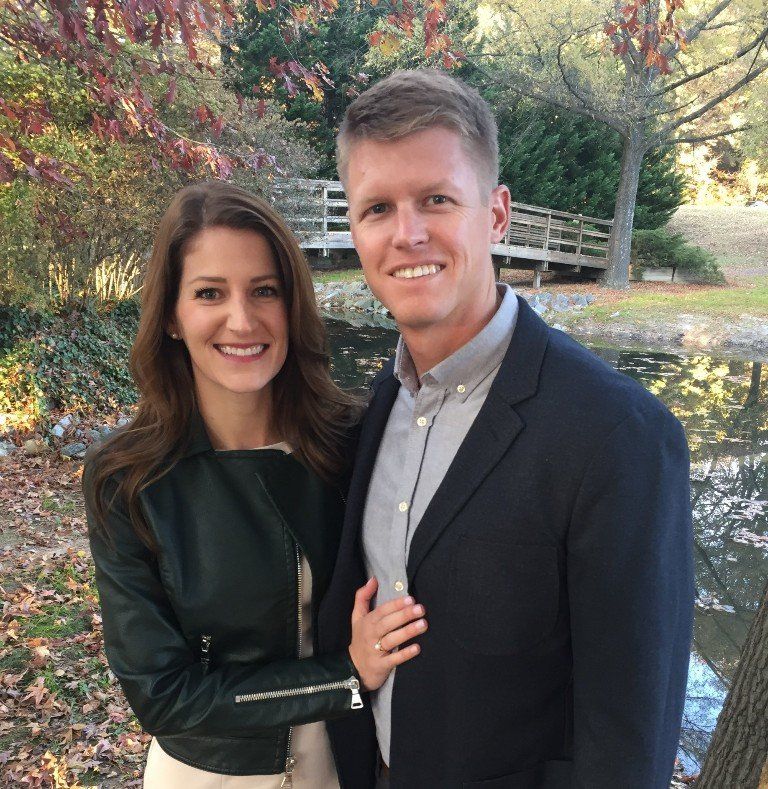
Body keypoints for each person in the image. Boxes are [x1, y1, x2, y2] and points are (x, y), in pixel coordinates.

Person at [318, 70, 695, 788]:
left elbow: (629, 739)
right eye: (377, 208)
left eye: (436, 199)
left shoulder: (619, 437)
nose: (407, 233)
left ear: (496, 214)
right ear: (356, 228)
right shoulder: (379, 407)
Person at [83, 181, 427, 787]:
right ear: (171, 315)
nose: (242, 320)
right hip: (206, 776)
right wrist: (346, 674)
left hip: (345, 766)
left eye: (264, 291)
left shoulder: (353, 442)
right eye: (209, 292)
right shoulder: (128, 480)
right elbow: (163, 694)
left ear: (291, 305)